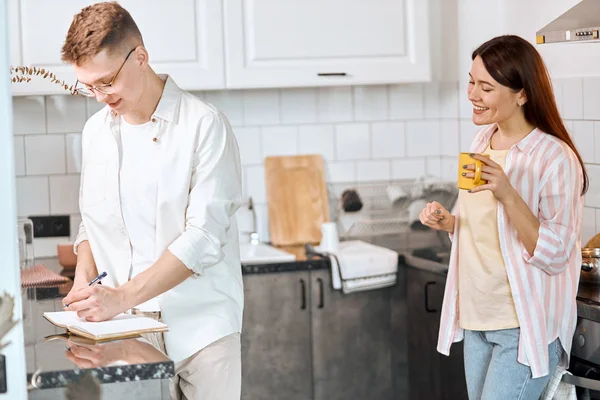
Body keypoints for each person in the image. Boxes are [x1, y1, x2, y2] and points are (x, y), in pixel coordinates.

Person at [59, 2, 244, 399]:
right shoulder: (96, 132)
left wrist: (121, 296)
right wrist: (83, 281)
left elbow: (203, 238)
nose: (99, 96)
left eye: (107, 81)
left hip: (202, 331)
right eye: (89, 86)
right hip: (123, 331)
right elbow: (92, 220)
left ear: (140, 57)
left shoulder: (204, 125)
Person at [420, 35, 587, 400]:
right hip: (478, 317)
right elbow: (483, 229)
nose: (472, 94)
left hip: (522, 327)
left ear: (522, 94)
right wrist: (449, 222)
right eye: (471, 81)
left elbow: (556, 254)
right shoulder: (482, 142)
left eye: (486, 87)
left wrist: (508, 193)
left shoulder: (554, 158)